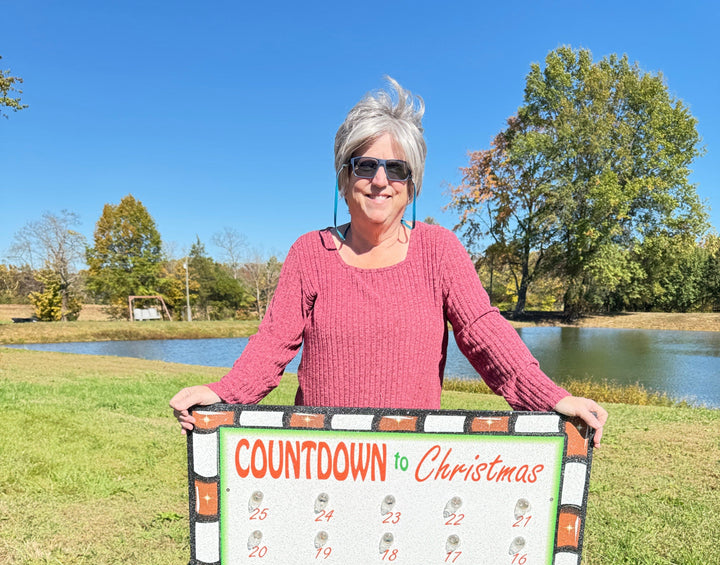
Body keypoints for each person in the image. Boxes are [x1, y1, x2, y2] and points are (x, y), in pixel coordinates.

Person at [170, 78, 607, 444]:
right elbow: (272, 345)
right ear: (344, 177)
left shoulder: (439, 250)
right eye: (365, 166)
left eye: (396, 169)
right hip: (321, 459)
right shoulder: (309, 252)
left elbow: (483, 332)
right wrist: (224, 394)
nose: (380, 181)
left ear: (411, 185)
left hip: (410, 462)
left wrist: (550, 397)